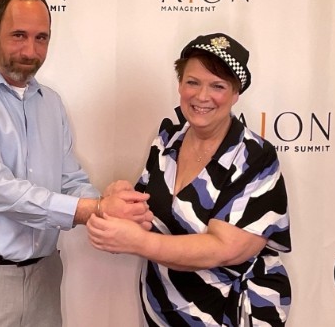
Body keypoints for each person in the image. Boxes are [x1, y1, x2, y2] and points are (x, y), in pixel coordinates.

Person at [0, 0, 152, 327]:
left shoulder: (50, 102)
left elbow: (70, 180)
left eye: (41, 38)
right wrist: (95, 209)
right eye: (18, 36)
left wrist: (109, 206)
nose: (30, 51)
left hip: (45, 277)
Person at [87, 33, 291, 326]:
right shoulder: (167, 140)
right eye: (193, 82)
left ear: (236, 93)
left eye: (218, 86)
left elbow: (225, 249)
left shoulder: (255, 157)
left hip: (231, 314)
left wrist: (139, 242)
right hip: (165, 311)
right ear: (180, 85)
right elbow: (145, 213)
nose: (202, 96)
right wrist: (120, 196)